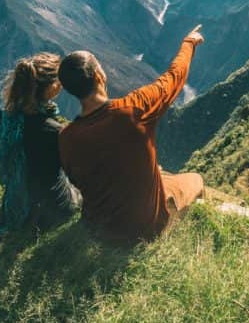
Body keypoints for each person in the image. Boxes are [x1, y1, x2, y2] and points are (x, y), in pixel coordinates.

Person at [57, 25, 206, 242]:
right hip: (145, 229)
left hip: (97, 229)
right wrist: (189, 42)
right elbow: (173, 78)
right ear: (99, 76)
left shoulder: (66, 138)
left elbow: (79, 180)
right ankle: (184, 233)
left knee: (159, 173)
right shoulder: (133, 110)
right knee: (195, 179)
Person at [0, 52, 79, 231]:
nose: (61, 85)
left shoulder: (6, 117)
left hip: (15, 203)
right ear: (49, 88)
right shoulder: (54, 130)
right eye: (58, 81)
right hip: (53, 211)